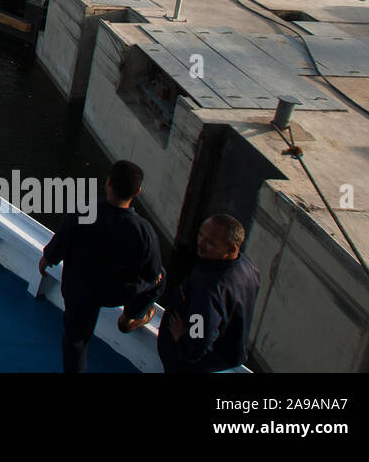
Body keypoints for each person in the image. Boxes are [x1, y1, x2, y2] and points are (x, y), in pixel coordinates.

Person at [39, 160, 164, 373]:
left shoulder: (83, 212)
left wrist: (46, 260)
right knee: (161, 276)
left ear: (108, 183)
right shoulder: (144, 231)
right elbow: (152, 273)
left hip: (79, 289)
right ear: (137, 192)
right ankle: (131, 316)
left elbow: (60, 244)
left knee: (76, 338)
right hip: (117, 293)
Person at [157, 214, 260, 373]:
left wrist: (183, 339)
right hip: (226, 357)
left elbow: (200, 333)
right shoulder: (248, 269)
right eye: (200, 235)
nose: (201, 243)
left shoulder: (208, 286)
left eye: (210, 242)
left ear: (231, 248)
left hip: (189, 365)